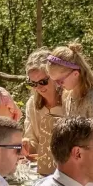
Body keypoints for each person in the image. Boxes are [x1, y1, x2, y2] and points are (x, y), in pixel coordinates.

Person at [22, 48, 64, 177]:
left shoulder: (70, 102)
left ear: (55, 77)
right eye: (33, 83)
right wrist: (25, 145)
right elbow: (33, 143)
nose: (38, 88)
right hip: (44, 170)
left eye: (43, 82)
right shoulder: (32, 104)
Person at [46, 41, 93, 121]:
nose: (58, 85)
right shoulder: (67, 95)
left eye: (60, 81)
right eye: (54, 81)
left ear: (75, 74)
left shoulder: (92, 99)